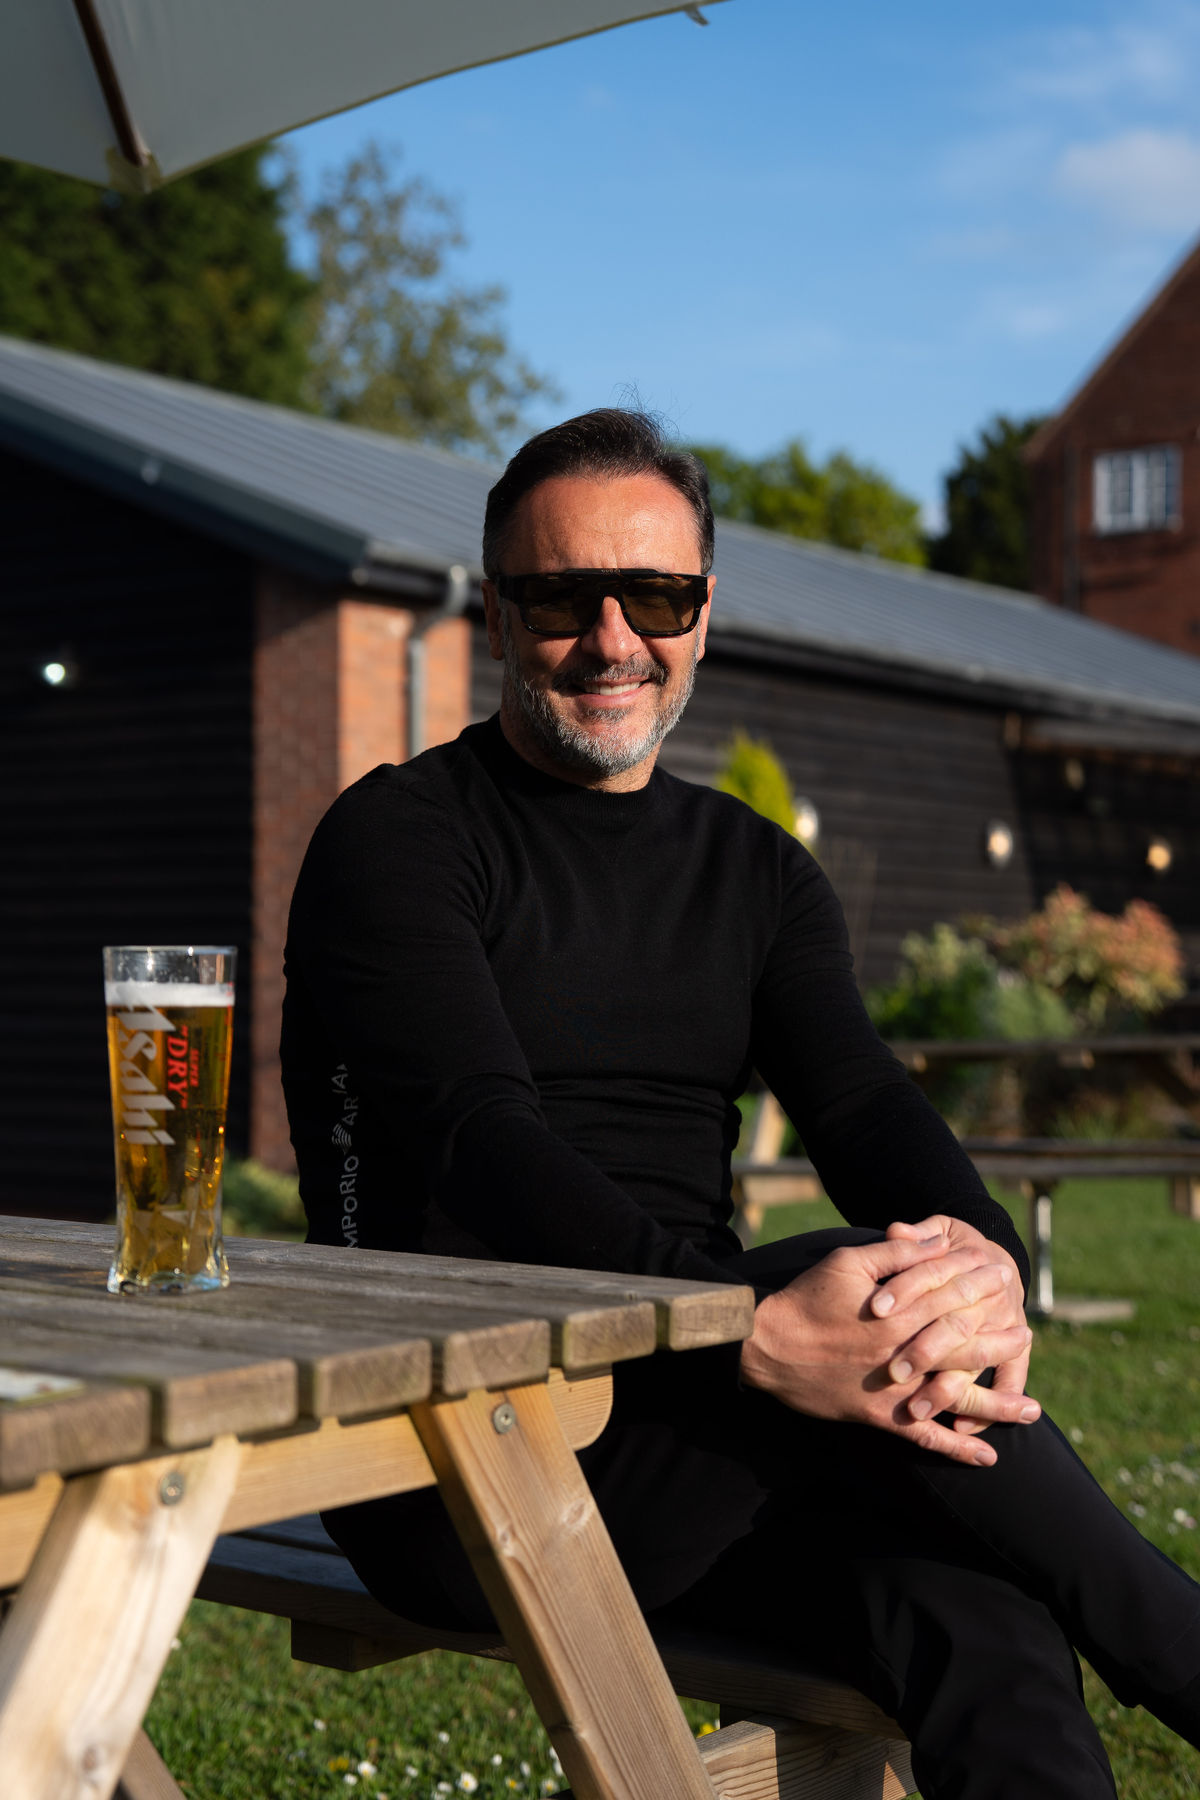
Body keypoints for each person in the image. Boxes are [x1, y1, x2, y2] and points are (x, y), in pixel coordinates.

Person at [281, 409, 1200, 1799]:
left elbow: (865, 1104)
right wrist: (742, 1333)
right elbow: (479, 1138)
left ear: (703, 615)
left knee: (982, 1621)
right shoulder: (400, 838)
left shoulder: (757, 873)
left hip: (706, 1443)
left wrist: (985, 1265)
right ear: (498, 614)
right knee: (874, 1312)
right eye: (561, 599)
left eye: (653, 597)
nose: (611, 640)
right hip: (452, 1452)